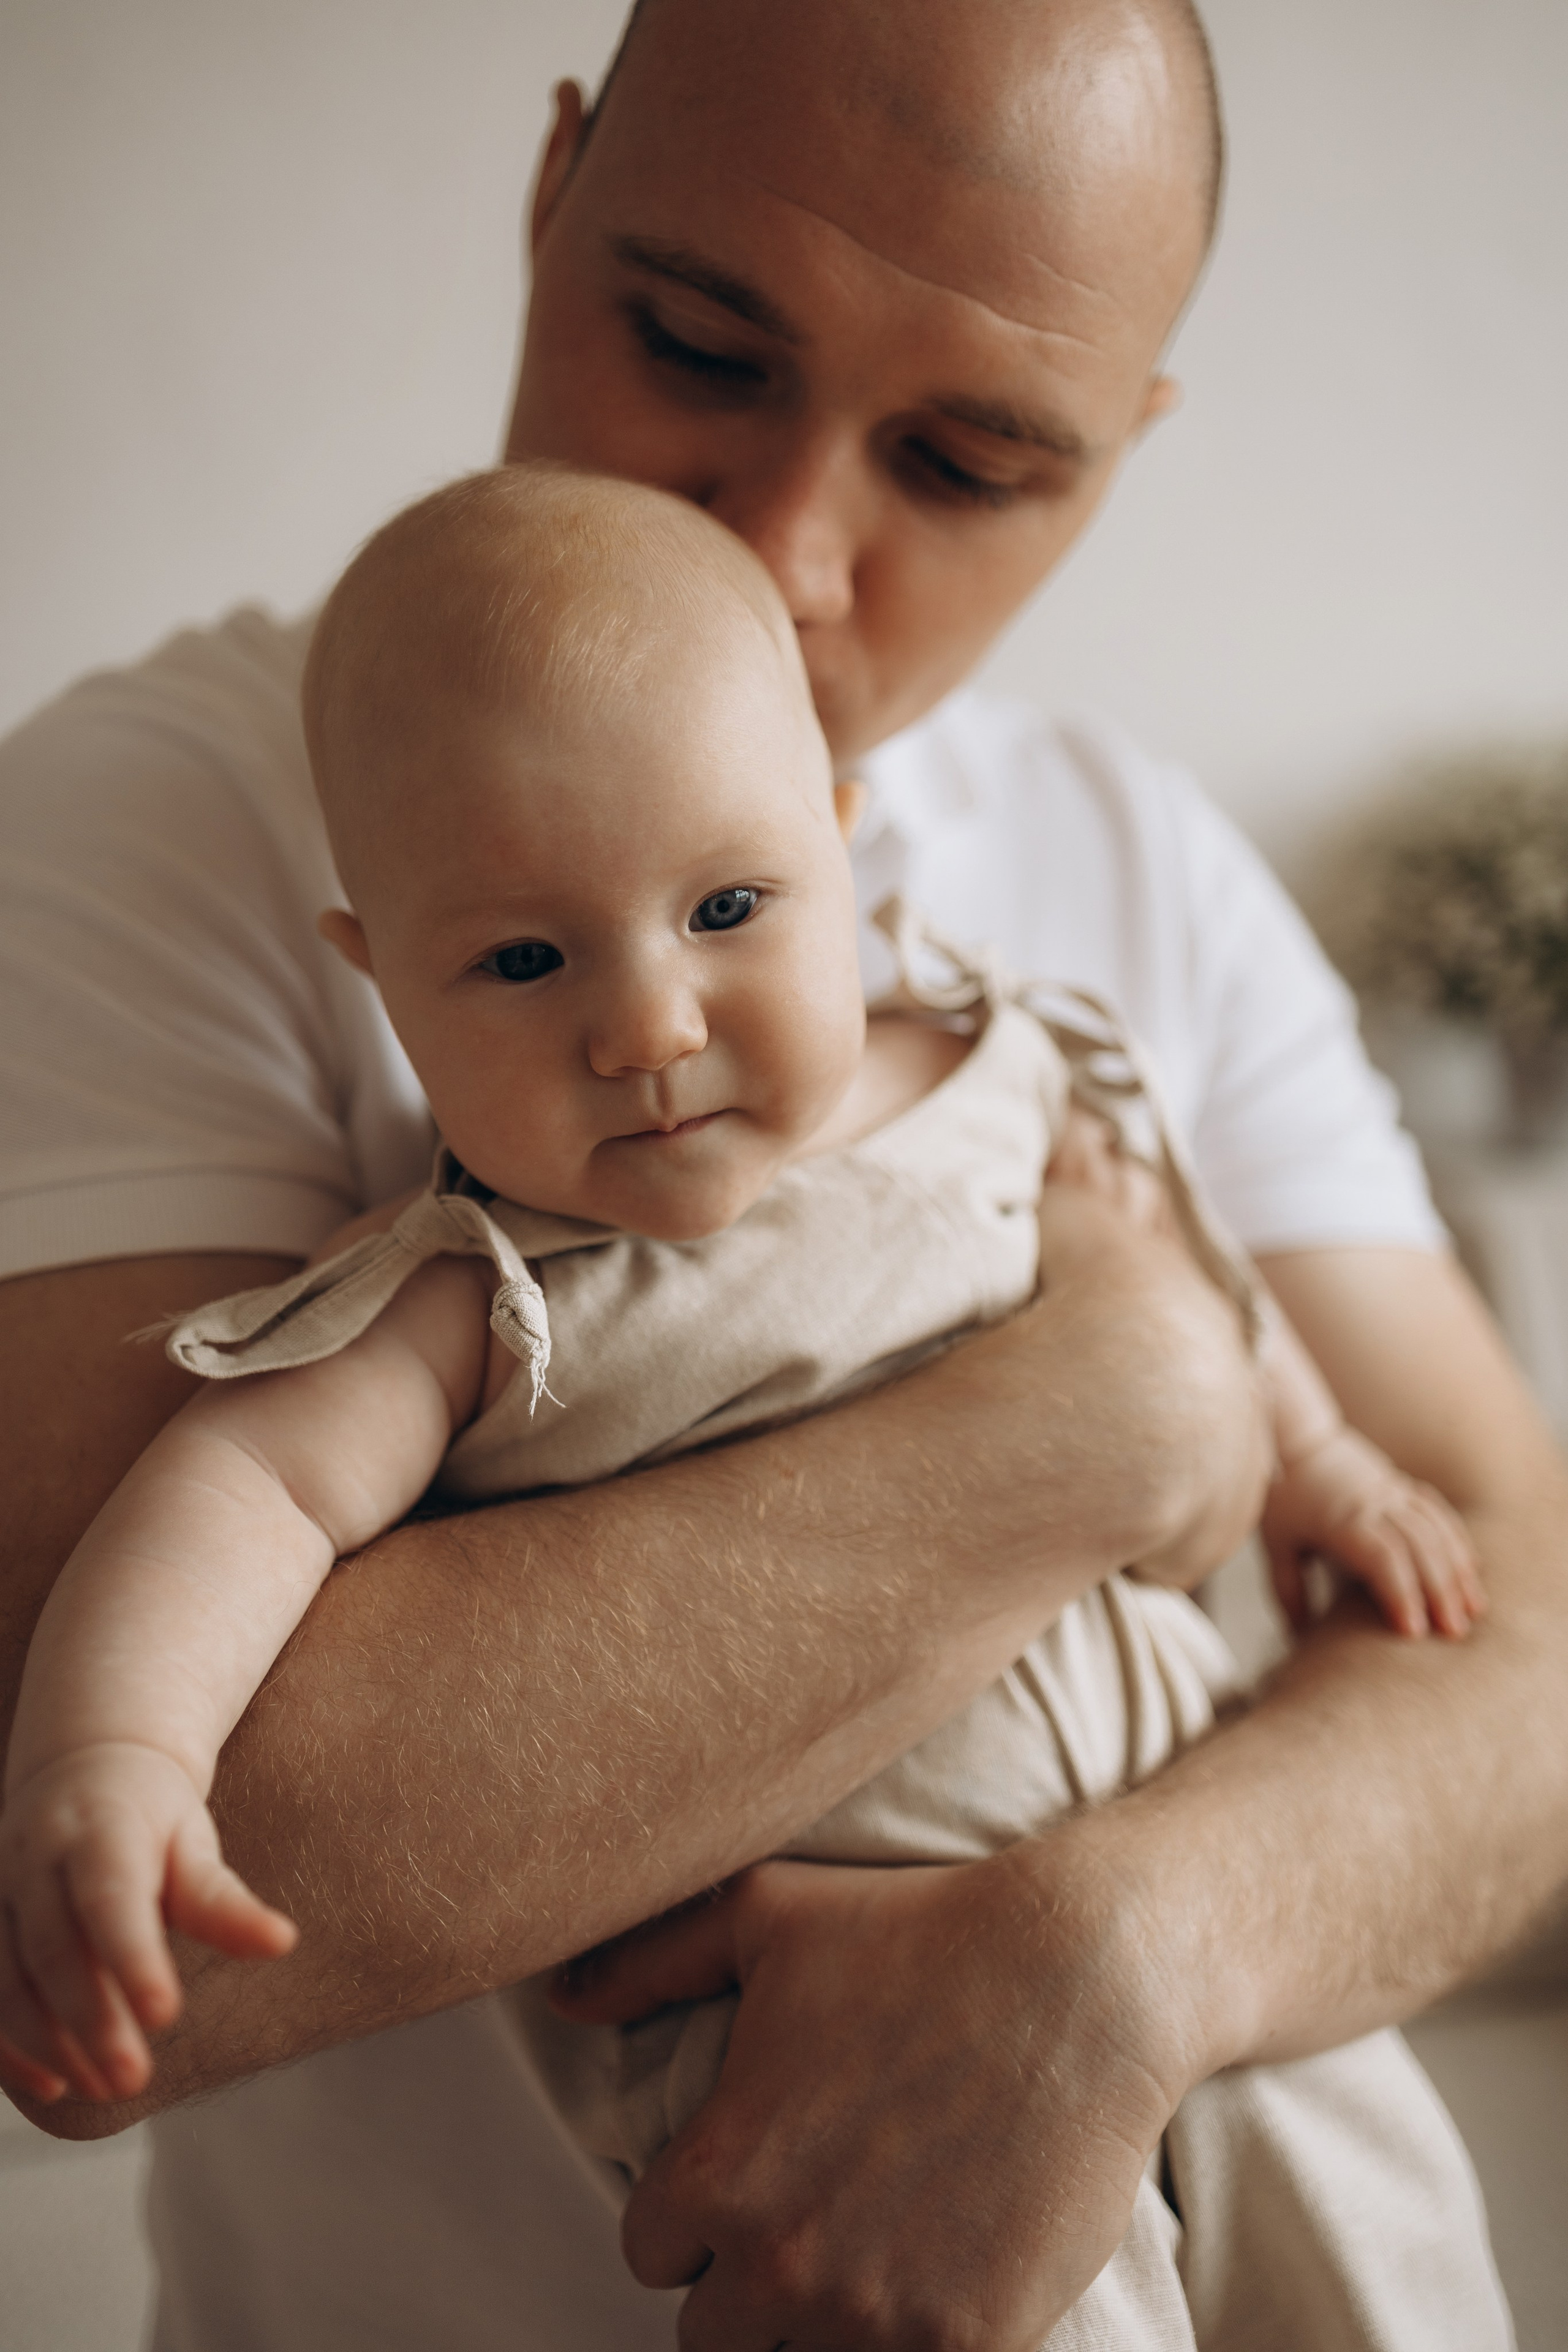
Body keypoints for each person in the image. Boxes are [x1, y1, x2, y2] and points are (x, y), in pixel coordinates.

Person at [1, 3, 1564, 2348]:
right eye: (699, 342)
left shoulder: (1133, 872)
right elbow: (160, 1940)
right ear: (554, 201)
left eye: (969, 460)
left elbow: (1529, 1655)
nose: (788, 547)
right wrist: (1121, 1409)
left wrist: (1113, 1961)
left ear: (1121, 455)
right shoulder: (149, 836)